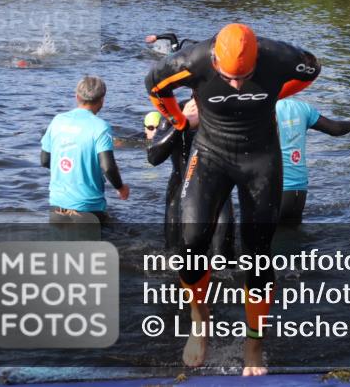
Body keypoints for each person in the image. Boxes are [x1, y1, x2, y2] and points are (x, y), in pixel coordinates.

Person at [145, 23, 319, 374]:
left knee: (257, 253)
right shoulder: (193, 60)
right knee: (192, 240)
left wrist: (278, 93)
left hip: (260, 158)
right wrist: (178, 120)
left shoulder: (279, 55)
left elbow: (312, 68)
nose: (238, 84)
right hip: (211, 153)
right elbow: (154, 85)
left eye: (246, 78)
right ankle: (199, 318)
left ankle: (253, 344)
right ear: (214, 62)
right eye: (230, 78)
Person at [145, 101, 237, 257]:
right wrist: (182, 122)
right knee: (174, 260)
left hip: (218, 194)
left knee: (224, 261)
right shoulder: (176, 112)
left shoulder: (224, 112)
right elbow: (153, 156)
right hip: (180, 192)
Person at [40, 76, 129, 223]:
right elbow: (108, 167)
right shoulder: (101, 127)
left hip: (57, 206)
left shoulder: (57, 121)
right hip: (89, 208)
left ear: (77, 97)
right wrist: (121, 188)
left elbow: (44, 161)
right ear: (102, 100)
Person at [275, 99, 350, 226]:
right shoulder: (301, 107)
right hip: (299, 190)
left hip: (274, 190)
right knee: (293, 236)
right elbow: (335, 129)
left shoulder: (260, 109)